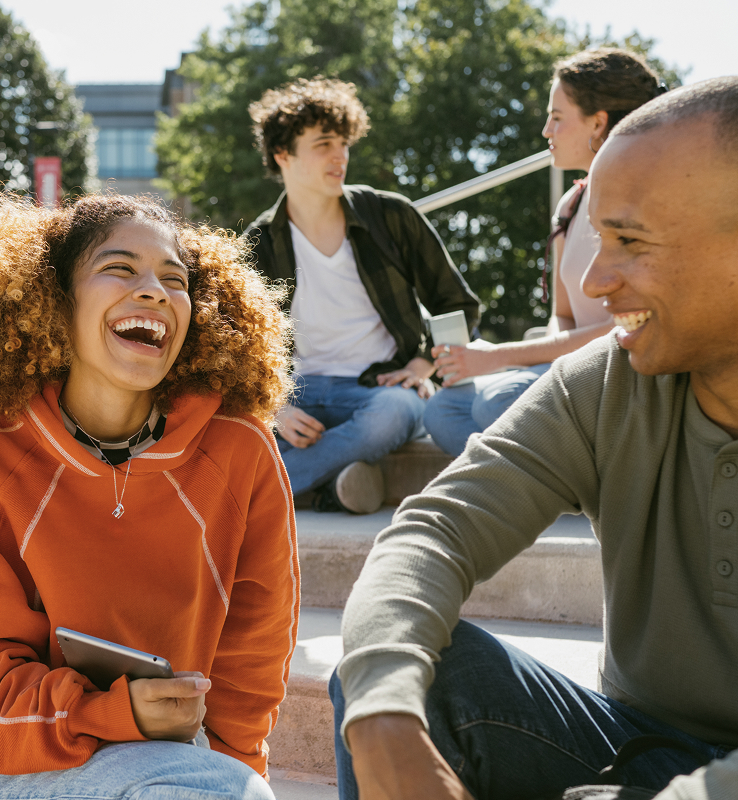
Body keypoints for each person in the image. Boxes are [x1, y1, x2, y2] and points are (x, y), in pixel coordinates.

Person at [331, 76, 738, 800]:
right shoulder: (608, 382)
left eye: (629, 241)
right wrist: (382, 718)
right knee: (400, 668)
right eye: (598, 235)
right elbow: (434, 532)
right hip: (637, 746)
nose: (594, 279)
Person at [0, 193, 299, 799]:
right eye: (120, 268)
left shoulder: (243, 450)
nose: (155, 290)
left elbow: (252, 657)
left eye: (175, 279)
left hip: (158, 755)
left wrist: (235, 774)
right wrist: (110, 714)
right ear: (54, 299)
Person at [244, 77, 480, 513]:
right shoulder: (259, 242)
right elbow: (237, 345)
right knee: (234, 422)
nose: (341, 156)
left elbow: (458, 303)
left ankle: (262, 498)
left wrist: (424, 361)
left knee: (396, 412)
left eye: (344, 143)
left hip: (377, 391)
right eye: (324, 144)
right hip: (296, 395)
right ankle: (330, 489)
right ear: (283, 156)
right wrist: (272, 407)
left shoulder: (390, 217)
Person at [424, 48, 667, 456]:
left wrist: (502, 356)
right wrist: (551, 367)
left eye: (556, 117)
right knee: (443, 411)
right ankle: (564, 478)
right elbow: (563, 315)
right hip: (573, 370)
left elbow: (630, 325)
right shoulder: (569, 208)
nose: (545, 131)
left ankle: (546, 481)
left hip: (625, 372)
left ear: (598, 122)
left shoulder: (646, 204)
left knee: (497, 399)